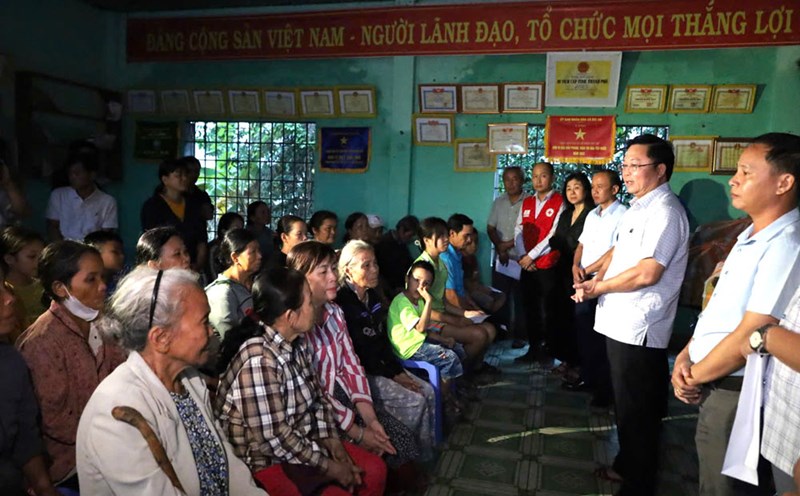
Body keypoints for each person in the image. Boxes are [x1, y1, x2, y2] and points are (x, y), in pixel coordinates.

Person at [673, 133, 800, 495]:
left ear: (784, 182)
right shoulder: (750, 234)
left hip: (736, 387)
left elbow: (754, 331)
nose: (734, 179)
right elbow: (720, 308)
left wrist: (693, 375)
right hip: (710, 375)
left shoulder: (785, 244)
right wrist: (686, 354)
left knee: (723, 486)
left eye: (746, 171)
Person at [76, 267, 264, 495]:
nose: (212, 331)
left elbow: (229, 468)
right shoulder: (115, 414)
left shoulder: (189, 381)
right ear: (161, 338)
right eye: (204, 321)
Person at [574, 134, 690, 496]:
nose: (626, 173)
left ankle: (639, 485)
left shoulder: (666, 212)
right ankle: (627, 465)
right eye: (624, 166)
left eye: (635, 166)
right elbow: (618, 252)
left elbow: (647, 272)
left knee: (638, 411)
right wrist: (595, 273)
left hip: (639, 326)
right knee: (629, 407)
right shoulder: (639, 207)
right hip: (620, 321)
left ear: (660, 169)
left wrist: (598, 288)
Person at [215, 268, 387, 496]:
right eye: (308, 302)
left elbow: (318, 399)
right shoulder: (259, 361)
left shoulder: (298, 341)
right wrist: (330, 467)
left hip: (304, 443)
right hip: (267, 463)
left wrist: (332, 441)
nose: (314, 306)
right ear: (290, 316)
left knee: (374, 471)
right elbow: (276, 439)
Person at [287, 241, 421, 469]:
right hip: (316, 415)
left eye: (333, 268)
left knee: (399, 440)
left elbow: (351, 366)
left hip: (344, 399)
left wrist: (371, 420)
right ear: (301, 278)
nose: (333, 277)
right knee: (375, 459)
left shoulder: (334, 313)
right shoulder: (295, 326)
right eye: (323, 271)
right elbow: (314, 393)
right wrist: (358, 432)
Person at [16, 241, 127, 490]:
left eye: (103, 277)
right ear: (60, 288)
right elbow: (55, 422)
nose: (103, 286)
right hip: (68, 466)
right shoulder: (42, 343)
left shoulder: (105, 325)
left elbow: (125, 379)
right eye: (91, 280)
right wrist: (115, 432)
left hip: (112, 448)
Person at [336, 240, 436, 459]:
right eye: (366, 265)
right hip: (362, 374)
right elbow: (359, 353)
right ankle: (401, 458)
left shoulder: (371, 297)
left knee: (427, 391)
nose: (375, 270)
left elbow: (381, 342)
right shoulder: (342, 303)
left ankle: (424, 457)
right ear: (348, 270)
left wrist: (397, 371)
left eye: (375, 264)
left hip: (383, 367)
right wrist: (394, 376)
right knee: (415, 400)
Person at [0, 263, 59, 496]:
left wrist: (44, 487)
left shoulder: (10, 362)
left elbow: (25, 436)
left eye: (5, 287)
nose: (10, 299)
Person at [571, 169, 627, 408]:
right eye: (593, 186)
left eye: (600, 186)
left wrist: (588, 269)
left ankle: (605, 390)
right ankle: (588, 378)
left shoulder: (625, 214)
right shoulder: (593, 214)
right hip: (583, 278)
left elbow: (615, 251)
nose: (594, 191)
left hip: (602, 280)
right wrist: (575, 265)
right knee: (584, 335)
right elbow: (581, 244)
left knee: (601, 339)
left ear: (614, 189)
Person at [414, 217, 490, 377]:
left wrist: (464, 313)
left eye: (446, 235)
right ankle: (459, 377)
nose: (446, 239)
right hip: (425, 322)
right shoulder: (421, 269)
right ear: (427, 240)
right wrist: (453, 319)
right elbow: (419, 309)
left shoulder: (439, 264)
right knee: (479, 335)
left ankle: (461, 376)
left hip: (438, 315)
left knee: (481, 327)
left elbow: (442, 301)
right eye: (440, 236)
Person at [388, 260, 465, 413]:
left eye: (426, 283)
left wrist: (444, 339)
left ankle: (450, 390)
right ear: (407, 279)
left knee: (457, 349)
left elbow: (424, 332)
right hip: (408, 349)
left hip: (419, 343)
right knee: (449, 358)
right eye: (416, 280)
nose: (420, 286)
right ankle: (442, 403)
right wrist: (429, 300)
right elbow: (421, 327)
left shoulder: (419, 301)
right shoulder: (402, 302)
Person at [514, 162, 565, 363]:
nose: (538, 180)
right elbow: (518, 230)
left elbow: (553, 234)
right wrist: (522, 256)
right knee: (530, 307)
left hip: (548, 265)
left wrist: (531, 256)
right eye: (535, 176)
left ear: (551, 178)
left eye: (543, 176)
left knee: (548, 310)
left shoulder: (560, 201)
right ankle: (533, 348)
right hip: (527, 265)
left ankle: (548, 352)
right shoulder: (526, 202)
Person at [548, 172, 595, 385]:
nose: (572, 192)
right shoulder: (566, 214)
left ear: (586, 189)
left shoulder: (593, 215)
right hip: (561, 271)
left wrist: (566, 246)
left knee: (580, 320)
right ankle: (567, 359)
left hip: (583, 272)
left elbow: (585, 245)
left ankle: (580, 364)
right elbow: (556, 239)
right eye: (568, 188)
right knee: (562, 317)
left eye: (577, 187)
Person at [439, 214, 498, 378]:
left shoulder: (456, 255)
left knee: (491, 330)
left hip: (455, 309)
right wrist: (466, 315)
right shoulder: (445, 257)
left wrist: (472, 307)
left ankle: (472, 370)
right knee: (480, 334)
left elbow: (460, 290)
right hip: (445, 314)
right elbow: (450, 297)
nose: (469, 240)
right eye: (466, 235)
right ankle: (457, 376)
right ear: (452, 234)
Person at [140, 159, 208, 271]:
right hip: (164, 268)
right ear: (165, 179)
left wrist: (197, 265)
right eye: (179, 175)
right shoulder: (153, 206)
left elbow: (201, 240)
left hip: (191, 268)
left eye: (186, 175)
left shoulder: (193, 205)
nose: (184, 179)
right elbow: (151, 242)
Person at [488, 166, 527, 348]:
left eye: (515, 179)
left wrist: (506, 246)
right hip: (502, 260)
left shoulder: (530, 201)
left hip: (521, 259)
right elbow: (490, 228)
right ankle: (500, 332)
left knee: (522, 300)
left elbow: (527, 231)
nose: (511, 183)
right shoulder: (499, 202)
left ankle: (520, 335)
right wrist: (500, 247)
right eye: (507, 179)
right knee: (500, 296)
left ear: (522, 180)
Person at [46, 154, 118, 242]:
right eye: (70, 173)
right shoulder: (58, 195)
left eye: (77, 173)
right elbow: (53, 227)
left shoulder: (107, 201)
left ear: (92, 175)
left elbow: (106, 236)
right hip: (64, 248)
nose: (72, 177)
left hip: (93, 250)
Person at [206, 228, 262, 339]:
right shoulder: (222, 293)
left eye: (259, 250)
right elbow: (230, 336)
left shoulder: (255, 283)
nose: (260, 256)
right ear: (235, 257)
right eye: (253, 252)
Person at [1, 226, 46, 333]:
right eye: (32, 256)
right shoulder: (7, 291)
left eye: (42, 255)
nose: (40, 261)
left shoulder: (45, 285)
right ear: (9, 259)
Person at [374, 215, 419, 296]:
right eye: (409, 236)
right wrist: (391, 289)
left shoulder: (402, 244)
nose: (410, 239)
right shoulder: (383, 244)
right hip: (388, 291)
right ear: (402, 230)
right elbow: (381, 272)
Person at [84, 230, 127, 296]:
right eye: (115, 252)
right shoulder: (85, 283)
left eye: (122, 252)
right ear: (96, 254)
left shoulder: (122, 281)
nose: (122, 256)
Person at [206, 211, 244, 281]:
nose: (240, 232)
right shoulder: (214, 249)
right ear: (224, 231)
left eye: (242, 228)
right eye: (236, 229)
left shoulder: (239, 248)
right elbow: (212, 275)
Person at [179, 155, 214, 222]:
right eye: (189, 171)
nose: (193, 175)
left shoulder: (201, 195)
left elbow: (208, 215)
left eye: (196, 171)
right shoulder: (175, 194)